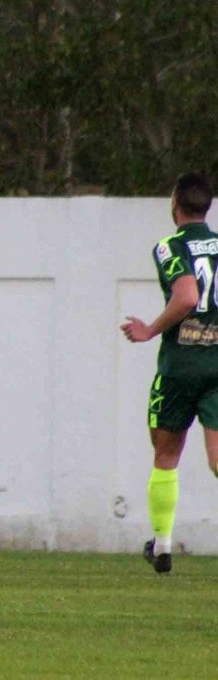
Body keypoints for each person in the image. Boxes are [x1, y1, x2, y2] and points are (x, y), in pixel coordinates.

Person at [120, 172, 218, 575]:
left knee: (165, 455)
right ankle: (158, 546)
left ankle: (161, 546)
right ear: (207, 206)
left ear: (175, 204)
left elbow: (188, 296)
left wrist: (149, 329)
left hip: (180, 364)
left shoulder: (169, 247)